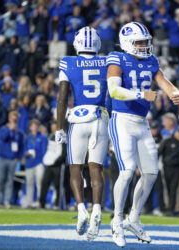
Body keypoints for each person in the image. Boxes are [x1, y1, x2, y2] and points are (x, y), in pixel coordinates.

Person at [106, 22, 179, 247]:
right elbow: (114, 90)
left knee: (150, 173)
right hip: (121, 120)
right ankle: (116, 221)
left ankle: (133, 218)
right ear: (128, 43)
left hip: (142, 123)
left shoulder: (151, 61)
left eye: (145, 42)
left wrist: (174, 91)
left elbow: (163, 82)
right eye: (139, 42)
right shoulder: (117, 59)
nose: (144, 46)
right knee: (128, 171)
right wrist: (141, 93)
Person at [55, 27, 109, 241]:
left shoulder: (68, 62)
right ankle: (97, 209)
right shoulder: (107, 62)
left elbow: (62, 98)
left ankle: (81, 209)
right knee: (96, 169)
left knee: (75, 168)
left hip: (78, 118)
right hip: (100, 118)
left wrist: (59, 127)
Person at [0, 111, 24, 208]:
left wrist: (18, 157)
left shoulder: (19, 132)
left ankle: (7, 201)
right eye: (12, 118)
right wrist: (9, 129)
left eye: (16, 119)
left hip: (12, 159)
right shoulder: (3, 129)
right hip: (2, 158)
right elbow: (2, 138)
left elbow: (21, 146)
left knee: (10, 181)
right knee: (0, 180)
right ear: (9, 118)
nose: (14, 120)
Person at [158, 126, 179, 216]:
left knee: (174, 188)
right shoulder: (167, 141)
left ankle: (171, 208)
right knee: (167, 188)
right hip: (166, 167)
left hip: (177, 168)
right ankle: (165, 207)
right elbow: (159, 152)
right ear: (178, 133)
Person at [23, 119, 48, 208]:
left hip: (39, 162)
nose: (34, 128)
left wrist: (43, 162)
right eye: (33, 126)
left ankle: (39, 201)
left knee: (39, 182)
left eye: (36, 126)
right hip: (29, 163)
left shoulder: (43, 137)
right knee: (29, 183)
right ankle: (29, 201)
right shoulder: (27, 138)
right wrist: (26, 154)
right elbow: (24, 149)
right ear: (30, 127)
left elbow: (44, 150)